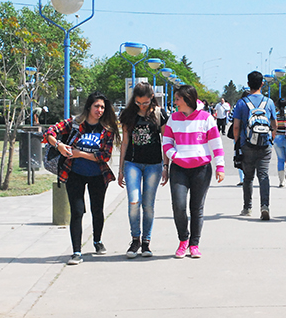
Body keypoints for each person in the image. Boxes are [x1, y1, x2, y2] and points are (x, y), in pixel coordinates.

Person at [44, 92, 121, 266]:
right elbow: (49, 132)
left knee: (97, 210)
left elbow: (104, 156)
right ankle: (76, 252)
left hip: (98, 175)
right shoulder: (74, 124)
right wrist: (59, 145)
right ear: (89, 107)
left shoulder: (106, 130)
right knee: (77, 212)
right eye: (96, 106)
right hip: (73, 174)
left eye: (102, 107)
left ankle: (97, 241)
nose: (99, 110)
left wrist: (80, 154)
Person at [163, 85, 225, 258]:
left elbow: (216, 145)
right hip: (179, 169)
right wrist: (175, 156)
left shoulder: (206, 118)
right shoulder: (173, 119)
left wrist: (220, 166)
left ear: (187, 99)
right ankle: (183, 239)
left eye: (177, 99)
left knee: (196, 208)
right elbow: (166, 142)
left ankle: (194, 244)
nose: (175, 103)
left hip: (201, 169)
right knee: (179, 206)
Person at [118, 82, 169, 259]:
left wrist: (165, 166)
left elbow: (166, 141)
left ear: (152, 98)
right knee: (134, 201)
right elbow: (124, 142)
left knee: (148, 205)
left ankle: (146, 242)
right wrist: (120, 169)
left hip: (154, 164)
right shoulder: (127, 114)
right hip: (132, 163)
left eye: (145, 103)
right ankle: (135, 239)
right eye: (138, 103)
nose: (142, 106)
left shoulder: (159, 114)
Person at [232, 71, 278, 220]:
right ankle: (265, 206)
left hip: (247, 144)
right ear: (262, 84)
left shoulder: (242, 103)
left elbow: (236, 126)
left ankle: (247, 207)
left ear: (248, 84)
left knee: (248, 177)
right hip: (265, 145)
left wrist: (237, 142)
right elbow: (274, 124)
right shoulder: (269, 102)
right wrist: (271, 137)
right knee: (263, 175)